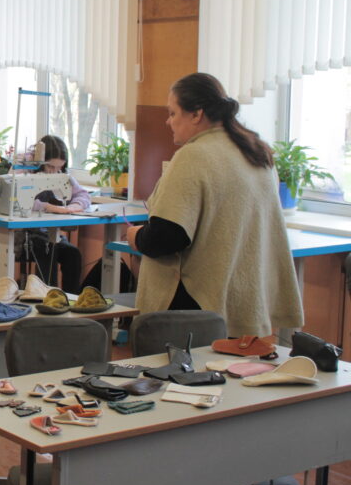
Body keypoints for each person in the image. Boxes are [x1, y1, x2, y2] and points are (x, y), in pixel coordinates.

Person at [125, 72, 303, 336]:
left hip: (195, 304)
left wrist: (137, 237)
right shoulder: (255, 152)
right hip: (244, 298)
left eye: (173, 113)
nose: (168, 121)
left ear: (196, 114)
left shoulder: (193, 156)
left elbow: (167, 237)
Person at [16, 134, 91, 294]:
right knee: (48, 249)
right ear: (41, 161)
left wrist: (74, 206)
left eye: (59, 168)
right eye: (50, 167)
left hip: (48, 233)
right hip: (21, 235)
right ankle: (46, 298)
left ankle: (72, 299)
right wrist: (46, 206)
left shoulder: (61, 174)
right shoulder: (24, 169)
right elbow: (17, 199)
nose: (55, 172)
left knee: (73, 254)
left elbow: (83, 195)